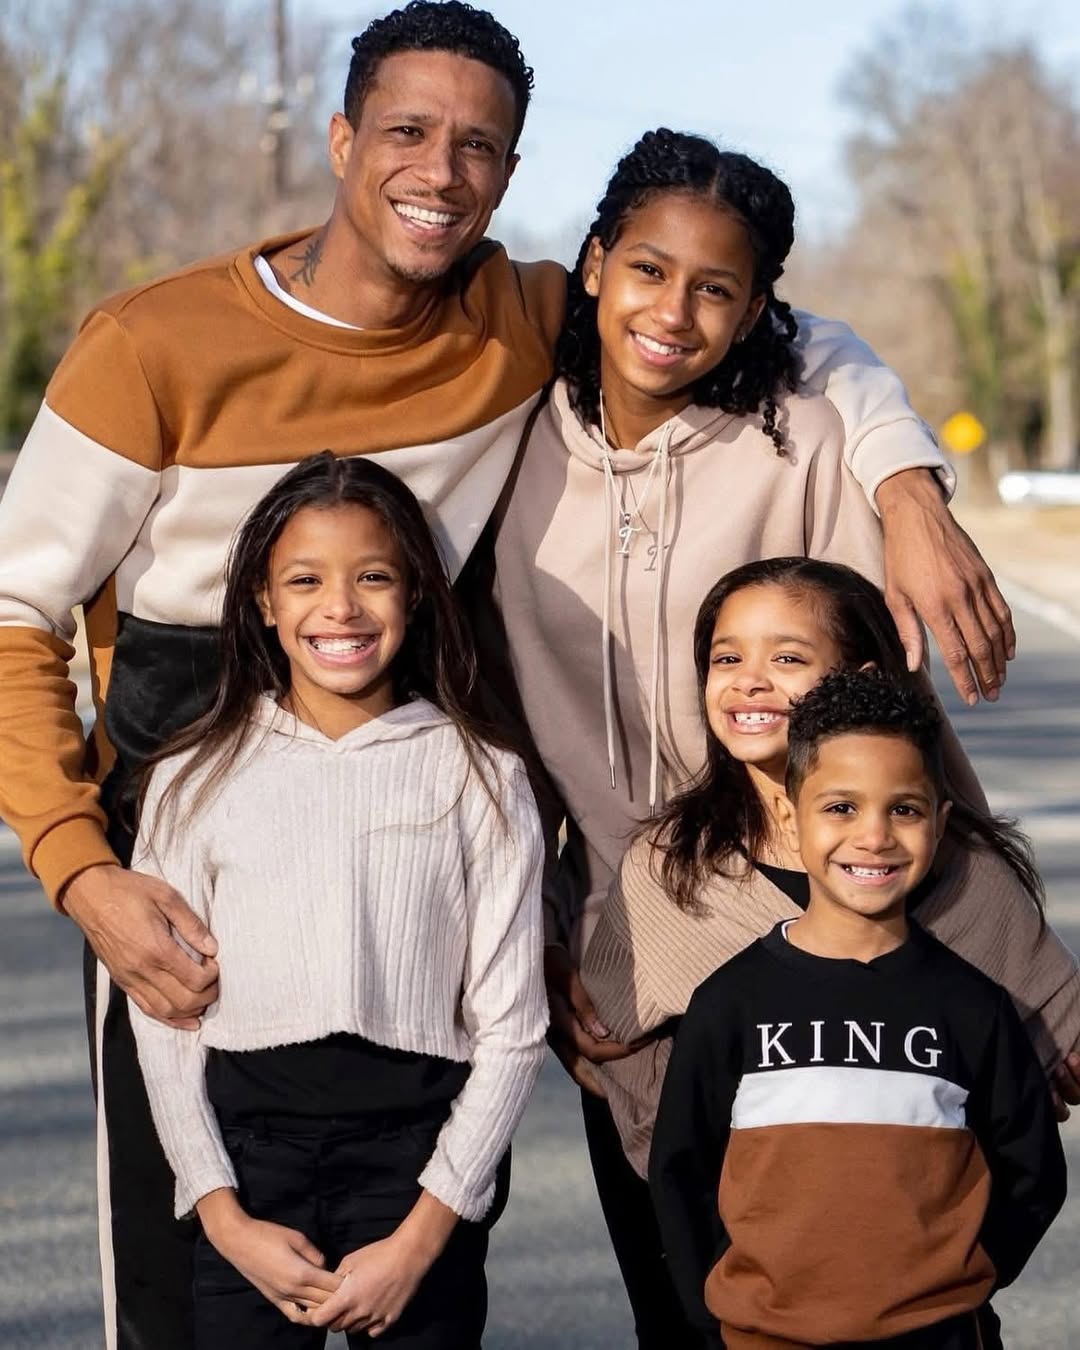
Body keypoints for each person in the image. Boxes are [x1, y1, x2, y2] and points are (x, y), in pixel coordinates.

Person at [0, 4, 1020, 1345]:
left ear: (515, 176)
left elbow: (765, 317)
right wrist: (80, 864)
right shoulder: (150, 345)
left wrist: (903, 482)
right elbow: (14, 609)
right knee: (196, 1274)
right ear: (342, 137)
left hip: (423, 825)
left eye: (481, 145)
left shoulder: (522, 310)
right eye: (410, 131)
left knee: (426, 1265)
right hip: (192, 837)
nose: (442, 168)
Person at [486, 130, 1074, 1346]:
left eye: (717, 290)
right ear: (594, 263)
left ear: (757, 307)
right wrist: (534, 932)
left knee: (893, 1281)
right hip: (640, 935)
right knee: (693, 1302)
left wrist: (908, 484)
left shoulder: (799, 430)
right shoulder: (507, 434)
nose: (673, 311)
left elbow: (836, 355)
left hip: (833, 907)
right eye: (647, 271)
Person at [580, 558, 1080, 1348]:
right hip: (736, 1272)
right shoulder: (670, 862)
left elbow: (1042, 1062)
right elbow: (613, 1052)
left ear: (862, 677)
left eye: (786, 658)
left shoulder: (959, 874)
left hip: (919, 1294)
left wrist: (960, 1260)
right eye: (726, 657)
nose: (749, 681)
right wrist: (713, 1264)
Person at [130, 451, 546, 1349]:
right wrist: (223, 1218)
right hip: (249, 1159)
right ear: (263, 603)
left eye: (374, 577)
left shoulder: (482, 774)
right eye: (306, 580)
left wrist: (422, 1237)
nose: (342, 607)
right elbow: (164, 1022)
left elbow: (512, 1028)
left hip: (419, 1163)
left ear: (418, 595)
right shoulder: (191, 778)